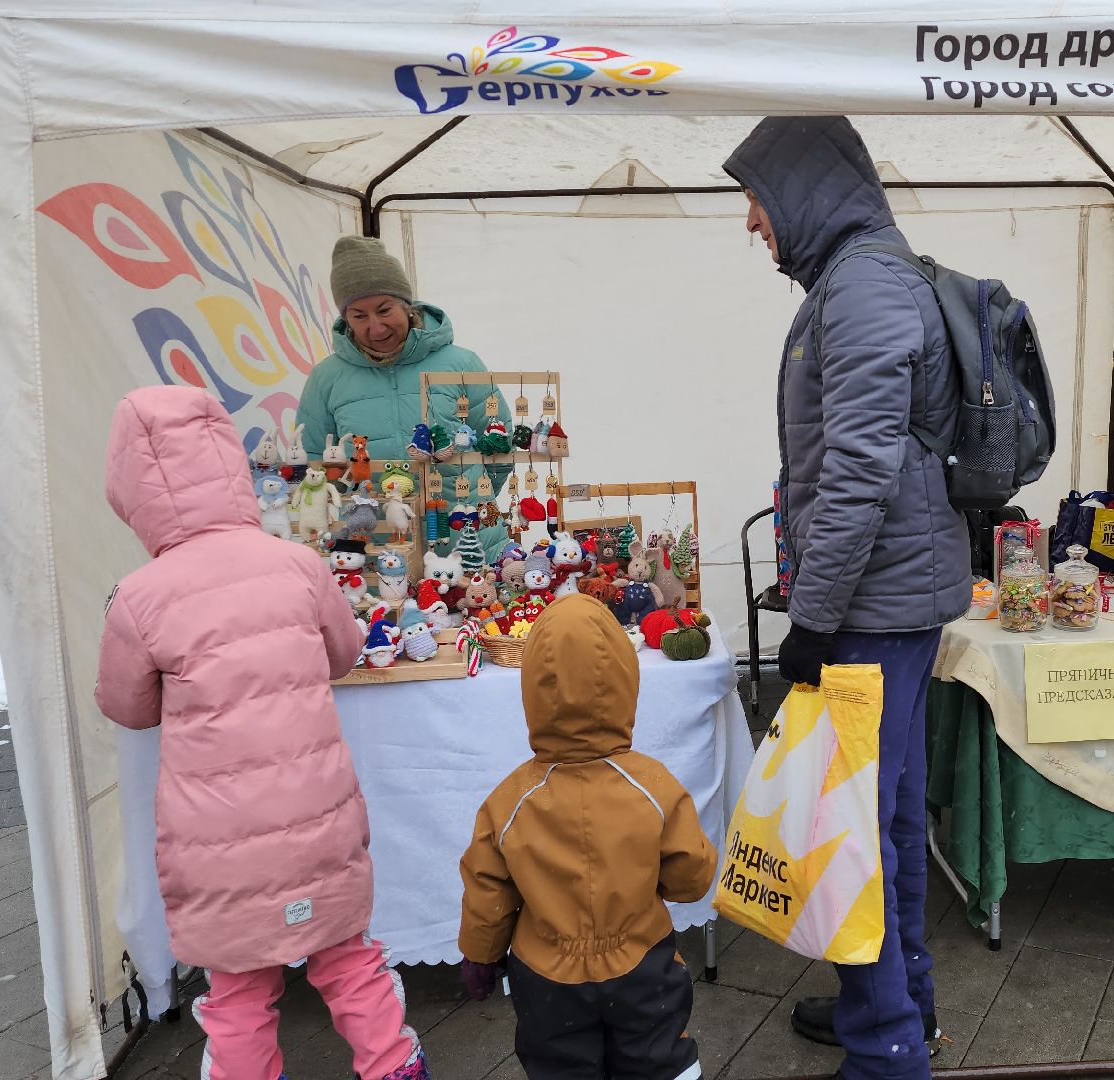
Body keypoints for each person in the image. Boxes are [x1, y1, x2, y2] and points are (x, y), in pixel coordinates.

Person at [722, 116, 971, 1079]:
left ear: (800, 191)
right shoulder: (862, 274)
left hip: (872, 610)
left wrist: (814, 614)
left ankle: (887, 1045)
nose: (750, 221)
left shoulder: (864, 281)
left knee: (857, 825)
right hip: (890, 601)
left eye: (755, 198)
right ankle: (902, 1005)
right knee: (887, 813)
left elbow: (859, 466)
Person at [94, 385, 428, 1080]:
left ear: (134, 495)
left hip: (218, 846)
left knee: (240, 991)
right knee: (350, 963)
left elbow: (127, 707)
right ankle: (395, 1070)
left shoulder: (140, 596)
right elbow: (341, 654)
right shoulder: (297, 565)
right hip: (318, 824)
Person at [457, 594, 717, 1080]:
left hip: (546, 976)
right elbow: (691, 877)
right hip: (643, 963)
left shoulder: (509, 799)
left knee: (559, 1068)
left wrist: (480, 953)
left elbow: (486, 887)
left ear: (532, 690)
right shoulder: (653, 785)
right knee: (657, 1058)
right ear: (624, 682)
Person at [296, 235, 510, 555]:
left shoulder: (461, 363)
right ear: (345, 318)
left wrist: (471, 495)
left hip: (470, 544)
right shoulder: (326, 378)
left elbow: (500, 444)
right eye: (359, 316)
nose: (376, 327)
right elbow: (314, 465)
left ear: (406, 305)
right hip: (378, 550)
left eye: (385, 310)